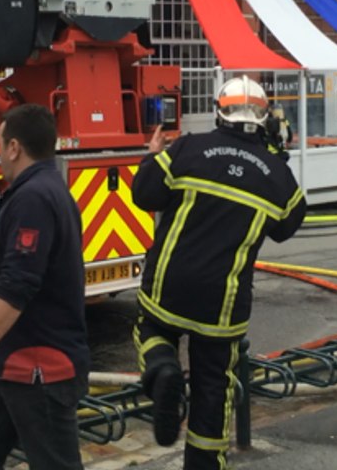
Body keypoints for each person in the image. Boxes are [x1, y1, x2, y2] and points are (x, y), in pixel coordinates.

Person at [131, 77, 306, 470]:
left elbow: (144, 194)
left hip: (169, 285)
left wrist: (152, 156)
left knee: (151, 329)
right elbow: (288, 225)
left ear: (219, 112)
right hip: (223, 305)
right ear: (264, 119)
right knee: (214, 388)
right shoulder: (277, 176)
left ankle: (161, 368)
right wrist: (274, 157)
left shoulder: (188, 148)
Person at [0, 103, 89, 470]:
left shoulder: (33, 198)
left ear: (14, 148)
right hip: (14, 365)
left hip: (38, 368)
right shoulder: (46, 189)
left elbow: (17, 284)